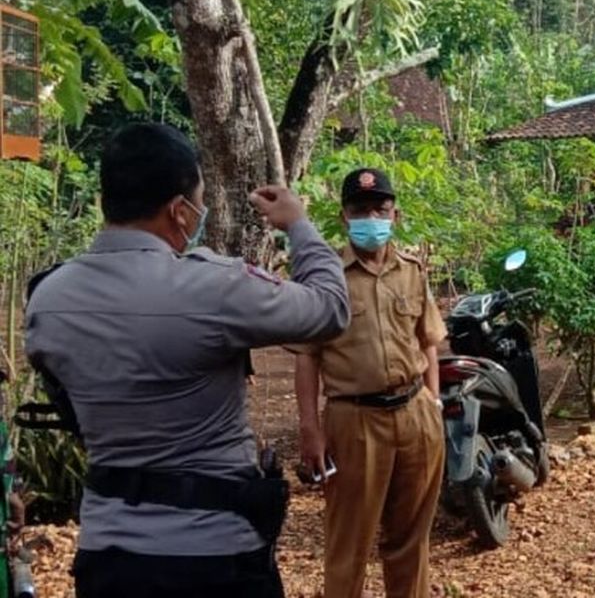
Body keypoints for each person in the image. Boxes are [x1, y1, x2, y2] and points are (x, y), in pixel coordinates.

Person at [23, 122, 350, 598]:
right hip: (215, 557)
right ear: (179, 211)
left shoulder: (47, 300)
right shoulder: (212, 289)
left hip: (109, 559)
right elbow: (331, 308)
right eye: (197, 202)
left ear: (103, 203)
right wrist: (298, 224)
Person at [290, 167, 446, 598]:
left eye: (381, 208)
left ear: (395, 215)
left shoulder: (412, 270)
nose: (372, 217)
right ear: (344, 215)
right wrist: (310, 429)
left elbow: (428, 340)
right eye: (361, 209)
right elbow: (308, 357)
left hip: (415, 415)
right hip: (354, 422)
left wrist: (432, 402)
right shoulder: (326, 277)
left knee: (411, 541)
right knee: (349, 546)